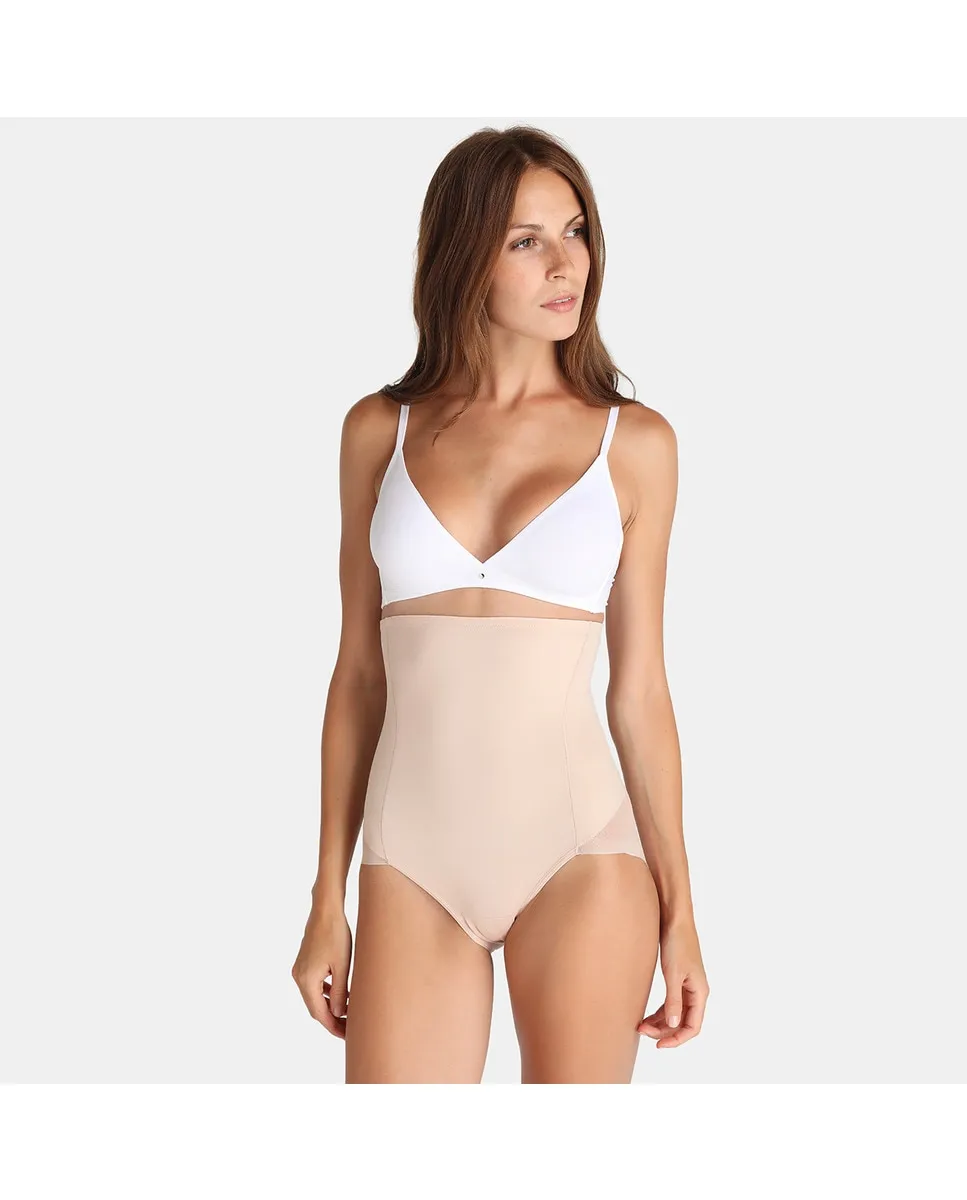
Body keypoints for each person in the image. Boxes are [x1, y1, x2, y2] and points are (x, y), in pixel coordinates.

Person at [292, 125, 709, 1083]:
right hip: (410, 863)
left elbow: (640, 692)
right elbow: (358, 675)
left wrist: (682, 912)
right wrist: (325, 897)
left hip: (581, 854)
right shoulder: (379, 431)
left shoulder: (634, 443)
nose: (567, 264)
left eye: (576, 231)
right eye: (526, 240)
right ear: (463, 255)